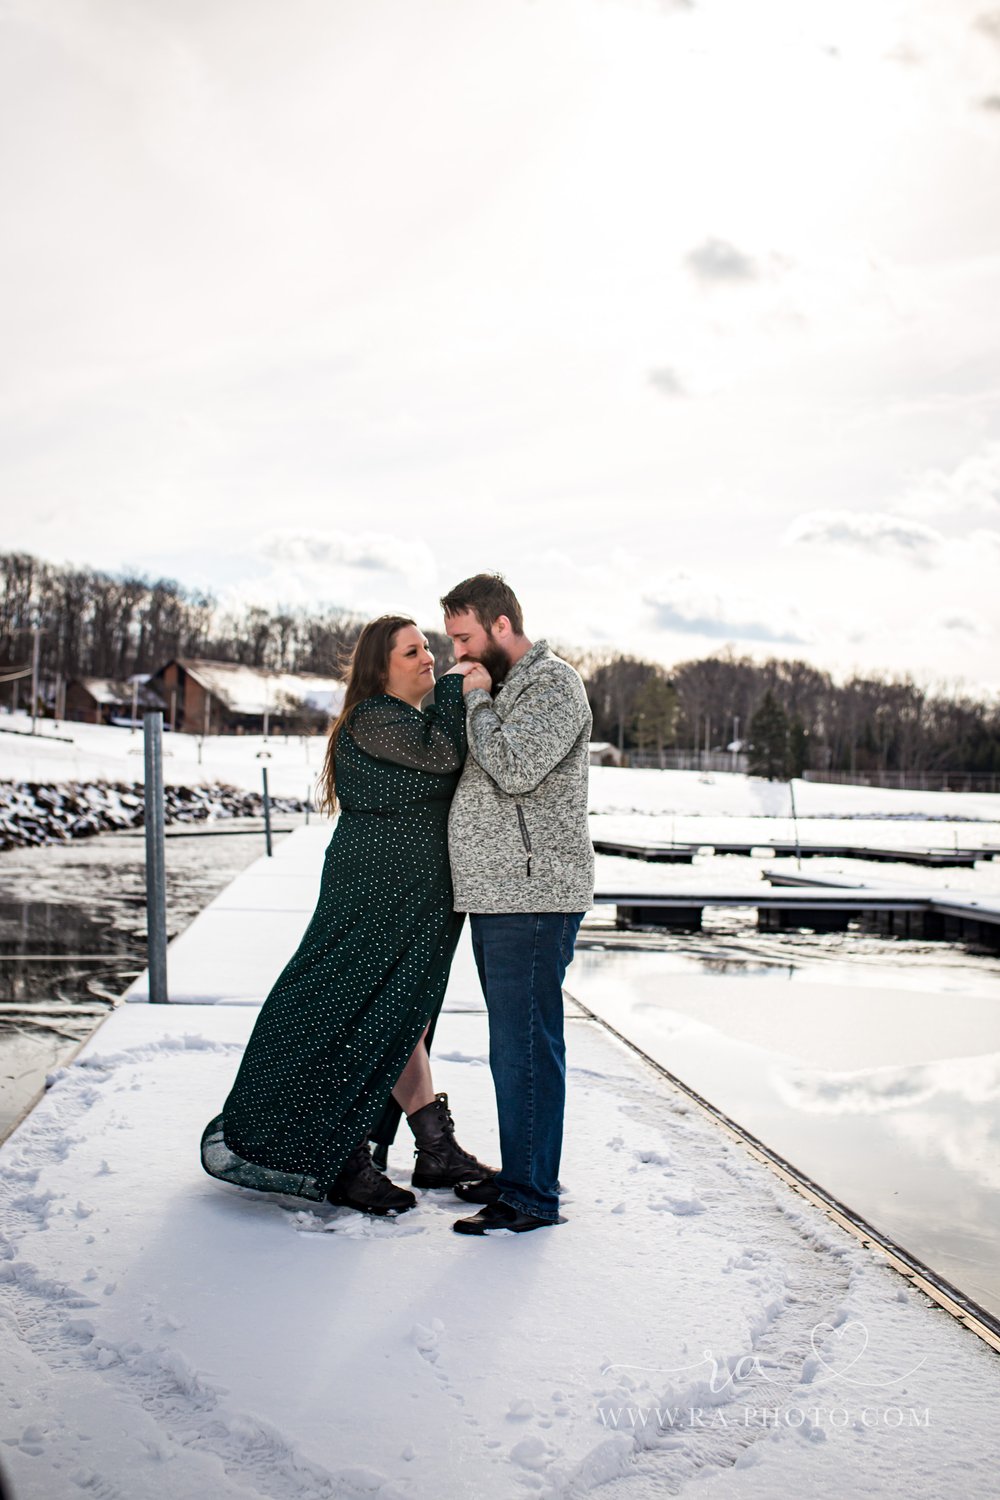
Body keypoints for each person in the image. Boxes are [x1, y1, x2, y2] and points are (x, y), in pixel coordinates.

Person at [201, 615, 492, 1216]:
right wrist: (460, 691)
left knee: (398, 1008)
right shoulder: (374, 718)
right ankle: (338, 1154)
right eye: (413, 653)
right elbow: (443, 756)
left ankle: (435, 1146)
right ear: (380, 669)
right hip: (370, 895)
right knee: (341, 1007)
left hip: (413, 898)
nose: (430, 659)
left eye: (428, 650)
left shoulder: (406, 716)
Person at [441, 574, 594, 1234]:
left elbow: (513, 767)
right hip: (498, 893)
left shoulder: (553, 684)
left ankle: (532, 1195)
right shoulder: (507, 687)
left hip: (532, 894)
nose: (458, 655)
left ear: (503, 626)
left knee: (525, 1047)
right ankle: (524, 1171)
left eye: (465, 638)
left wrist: (476, 699)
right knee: (513, 1046)